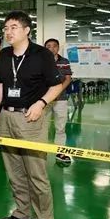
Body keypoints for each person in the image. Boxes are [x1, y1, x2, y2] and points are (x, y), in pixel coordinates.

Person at [0, 11, 63, 219]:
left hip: (30, 119)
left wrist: (41, 103)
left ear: (26, 30)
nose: (8, 32)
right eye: (5, 28)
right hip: (7, 117)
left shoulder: (42, 55)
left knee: (36, 172)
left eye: (13, 27)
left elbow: (57, 85)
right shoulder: (4, 54)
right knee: (14, 171)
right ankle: (22, 212)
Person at [44, 38, 74, 167]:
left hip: (61, 99)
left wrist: (58, 91)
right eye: (48, 46)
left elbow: (68, 78)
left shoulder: (64, 61)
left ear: (58, 47)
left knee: (60, 127)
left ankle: (60, 152)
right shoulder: (41, 61)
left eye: (54, 46)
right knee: (43, 127)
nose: (52, 48)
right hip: (44, 99)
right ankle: (41, 151)